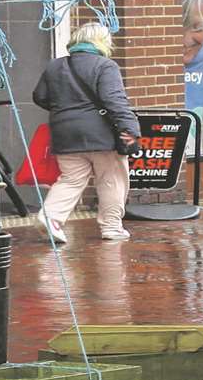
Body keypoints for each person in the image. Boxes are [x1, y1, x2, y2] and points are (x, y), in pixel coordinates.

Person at [32, 23, 141, 244]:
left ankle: (50, 217)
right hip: (100, 135)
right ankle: (111, 227)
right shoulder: (105, 66)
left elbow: (39, 96)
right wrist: (130, 129)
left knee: (71, 179)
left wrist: (66, 110)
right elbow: (115, 101)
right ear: (102, 42)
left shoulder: (55, 66)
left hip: (64, 134)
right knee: (111, 179)